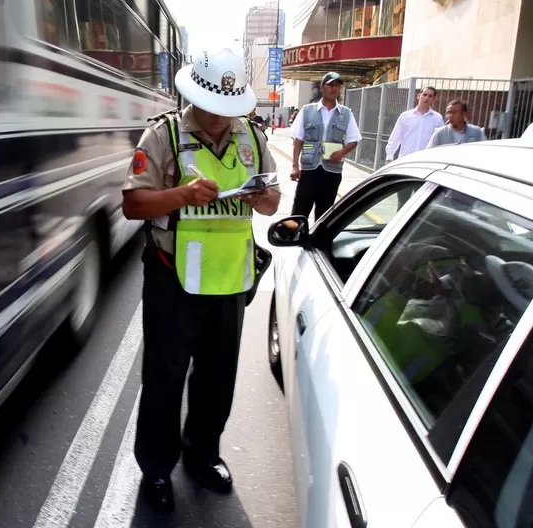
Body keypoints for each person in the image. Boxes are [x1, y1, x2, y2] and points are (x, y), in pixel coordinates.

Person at [121, 48, 280, 512]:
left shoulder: (252, 137)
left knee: (217, 378)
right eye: (215, 109)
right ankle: (155, 468)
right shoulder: (164, 134)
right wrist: (180, 195)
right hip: (173, 280)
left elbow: (271, 204)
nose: (221, 119)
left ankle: (202, 455)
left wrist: (260, 198)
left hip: (230, 278)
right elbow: (133, 205)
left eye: (231, 110)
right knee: (164, 379)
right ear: (196, 97)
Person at [289, 72, 361, 221]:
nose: (334, 89)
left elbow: (354, 140)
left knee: (325, 213)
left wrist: (342, 152)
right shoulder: (307, 111)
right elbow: (298, 139)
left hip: (331, 171)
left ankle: (318, 243)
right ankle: (295, 240)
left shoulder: (346, 114)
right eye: (331, 85)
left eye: (337, 86)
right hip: (309, 170)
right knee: (300, 210)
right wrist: (295, 165)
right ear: (322, 87)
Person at [384, 86, 444, 162]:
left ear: (434, 99)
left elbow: (441, 140)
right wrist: (389, 157)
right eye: (424, 94)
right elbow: (395, 137)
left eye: (430, 96)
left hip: (426, 161)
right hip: (405, 159)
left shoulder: (437, 118)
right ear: (419, 96)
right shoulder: (405, 116)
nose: (426, 98)